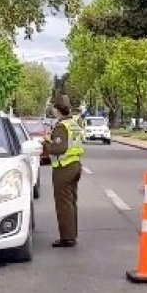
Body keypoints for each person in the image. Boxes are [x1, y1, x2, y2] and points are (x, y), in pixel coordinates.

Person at [42, 96, 85, 247]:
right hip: (75, 165)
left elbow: (59, 148)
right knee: (71, 202)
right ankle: (72, 234)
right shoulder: (73, 124)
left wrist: (47, 143)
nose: (53, 111)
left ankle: (67, 238)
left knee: (63, 204)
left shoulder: (61, 127)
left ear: (58, 109)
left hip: (64, 168)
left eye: (54, 108)